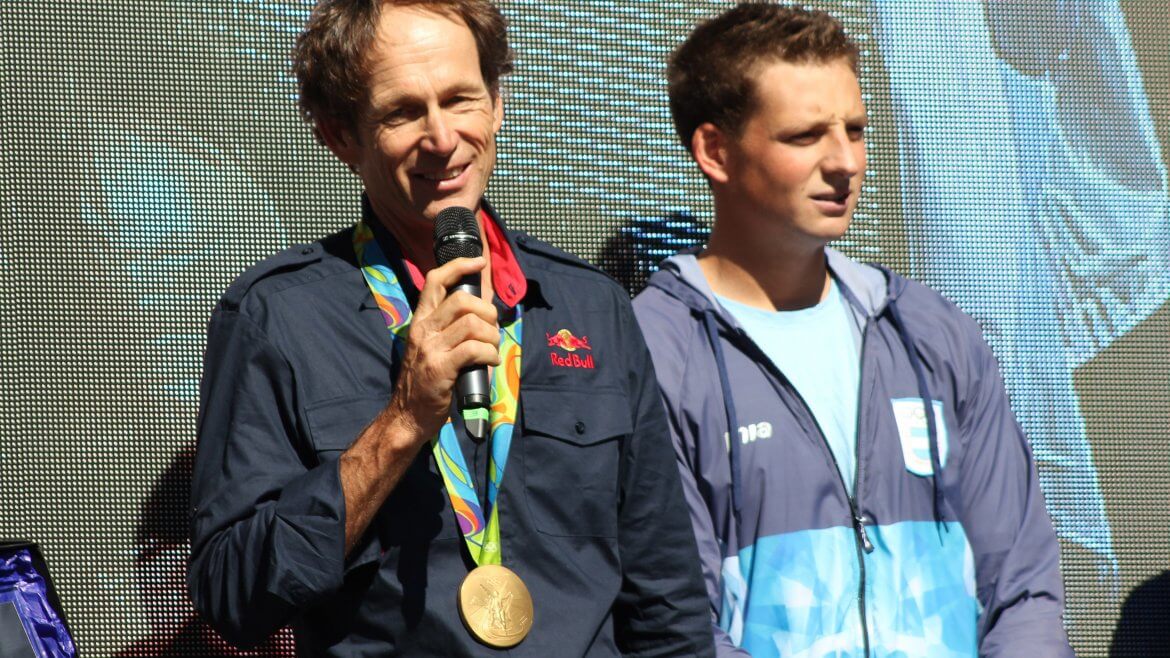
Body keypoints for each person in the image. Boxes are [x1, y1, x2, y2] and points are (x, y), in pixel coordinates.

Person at [187, 1, 713, 655]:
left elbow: (667, 604)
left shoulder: (593, 308)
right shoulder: (277, 317)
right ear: (339, 135)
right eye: (404, 112)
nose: (441, 138)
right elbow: (233, 595)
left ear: (497, 102)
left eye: (461, 99)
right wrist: (402, 423)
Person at [632, 4, 1071, 656]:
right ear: (715, 151)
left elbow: (1022, 587)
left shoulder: (933, 334)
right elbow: (676, 625)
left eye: (856, 129)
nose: (846, 161)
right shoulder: (654, 351)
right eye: (806, 136)